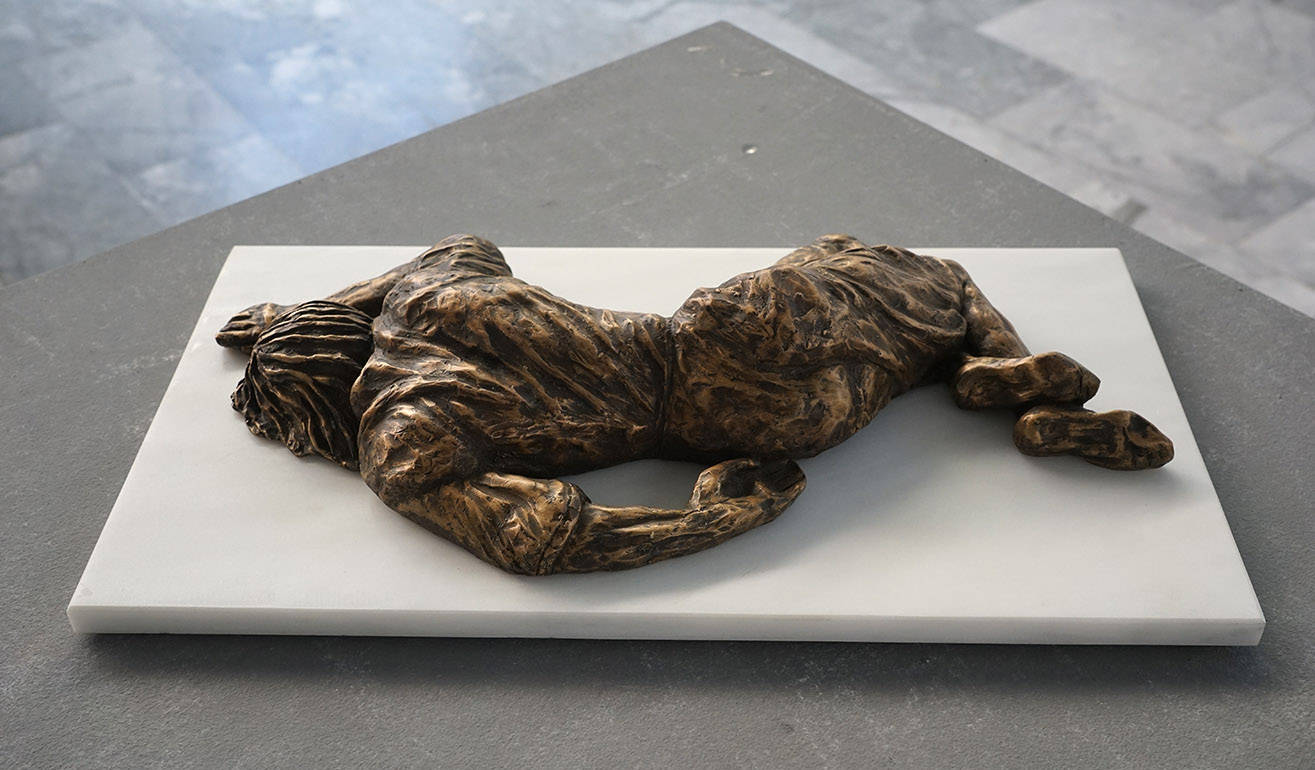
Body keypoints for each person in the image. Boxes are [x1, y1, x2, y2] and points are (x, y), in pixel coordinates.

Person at [217, 234, 1173, 574]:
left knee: (883, 363)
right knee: (929, 277)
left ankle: (982, 375)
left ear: (315, 423)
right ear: (338, 325)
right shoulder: (432, 289)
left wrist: (712, 520)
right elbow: (446, 244)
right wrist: (292, 313)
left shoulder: (400, 445)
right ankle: (995, 368)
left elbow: (544, 537)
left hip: (737, 425)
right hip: (718, 335)